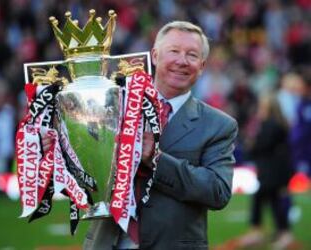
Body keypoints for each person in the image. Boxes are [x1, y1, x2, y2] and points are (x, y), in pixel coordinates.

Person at [83, 21, 238, 250]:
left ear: (202, 65)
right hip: (107, 243)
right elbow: (85, 176)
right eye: (174, 51)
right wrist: (63, 150)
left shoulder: (219, 125)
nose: (182, 61)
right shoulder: (112, 108)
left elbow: (217, 192)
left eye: (192, 55)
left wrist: (157, 160)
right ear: (155, 56)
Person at [230, 93, 295, 249]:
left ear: (267, 107)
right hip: (276, 170)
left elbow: (260, 146)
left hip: (273, 172)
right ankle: (279, 233)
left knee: (265, 199)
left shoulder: (270, 125)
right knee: (272, 201)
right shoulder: (278, 124)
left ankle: (263, 233)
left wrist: (251, 142)